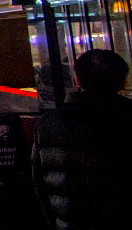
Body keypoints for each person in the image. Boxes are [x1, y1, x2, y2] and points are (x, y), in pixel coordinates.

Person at [32, 49, 132, 229]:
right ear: (123, 80)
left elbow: (39, 183)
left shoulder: (49, 123)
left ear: (76, 79)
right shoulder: (125, 116)